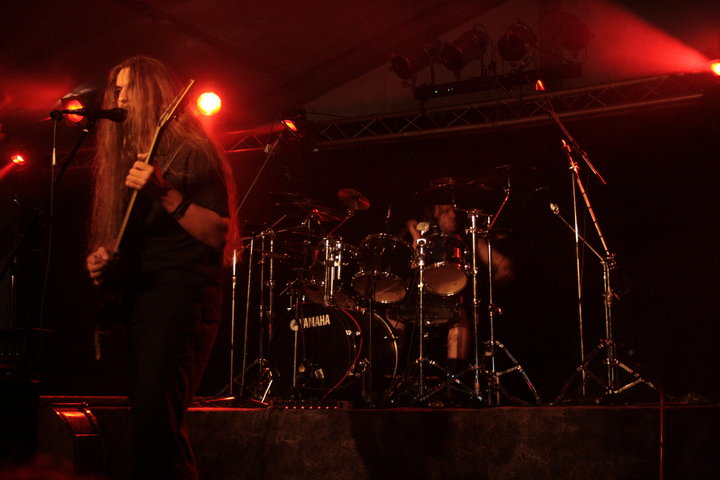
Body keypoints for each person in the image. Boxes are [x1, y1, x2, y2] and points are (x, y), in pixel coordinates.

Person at [85, 56, 238, 479]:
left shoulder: (193, 150)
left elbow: (217, 233)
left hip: (181, 299)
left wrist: (165, 193)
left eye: (126, 89)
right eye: (115, 90)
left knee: (157, 424)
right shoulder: (128, 157)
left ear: (151, 93)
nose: (117, 98)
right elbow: (132, 237)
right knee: (146, 425)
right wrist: (104, 255)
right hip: (142, 300)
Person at [399, 204, 513, 398]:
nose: (453, 215)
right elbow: (413, 263)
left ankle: (454, 385)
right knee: (394, 317)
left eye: (454, 211)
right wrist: (413, 232)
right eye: (446, 211)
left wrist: (503, 265)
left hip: (451, 299)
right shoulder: (425, 235)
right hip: (420, 296)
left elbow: (496, 259)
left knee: (459, 317)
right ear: (434, 214)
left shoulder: (467, 238)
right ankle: (394, 376)